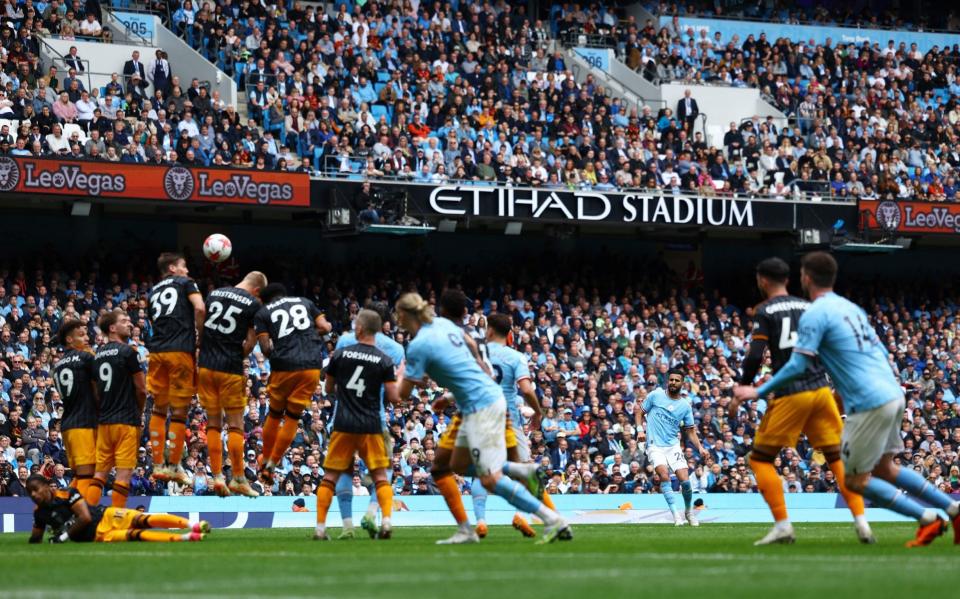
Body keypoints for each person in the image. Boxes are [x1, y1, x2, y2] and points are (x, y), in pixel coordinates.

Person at [734, 252, 960, 547]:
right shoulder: (851, 309)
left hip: (867, 401)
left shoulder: (815, 313)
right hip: (892, 392)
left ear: (805, 278)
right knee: (886, 469)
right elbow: (878, 351)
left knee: (855, 481)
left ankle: (928, 519)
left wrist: (757, 391)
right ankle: (952, 509)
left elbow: (798, 365)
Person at [396, 292, 571, 545]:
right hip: (479, 403)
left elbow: (400, 395)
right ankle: (510, 481)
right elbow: (471, 354)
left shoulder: (418, 345)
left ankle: (552, 519)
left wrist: (399, 374)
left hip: (482, 407)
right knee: (447, 464)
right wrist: (455, 391)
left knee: (489, 478)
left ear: (404, 315)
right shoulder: (444, 325)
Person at [730, 257, 871, 545]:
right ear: (788, 280)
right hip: (820, 391)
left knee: (760, 460)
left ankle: (783, 525)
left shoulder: (765, 310)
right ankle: (862, 522)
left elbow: (756, 355)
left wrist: (743, 388)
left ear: (763, 280)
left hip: (791, 394)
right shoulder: (809, 307)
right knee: (835, 459)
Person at [314, 309, 399, 540]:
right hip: (372, 425)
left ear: (359, 329)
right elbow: (393, 396)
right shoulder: (385, 360)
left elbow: (328, 389)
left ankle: (321, 529)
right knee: (381, 476)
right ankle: (387, 523)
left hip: (344, 423)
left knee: (330, 477)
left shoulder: (340, 354)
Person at [483, 313, 552, 538]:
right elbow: (526, 389)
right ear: (509, 334)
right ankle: (546, 516)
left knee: (482, 471)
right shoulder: (515, 357)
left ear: (490, 330)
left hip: (479, 419)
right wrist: (538, 413)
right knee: (527, 468)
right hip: (506, 420)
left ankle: (479, 521)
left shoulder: (476, 354)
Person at [198, 272, 266, 497]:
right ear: (257, 290)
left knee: (214, 424)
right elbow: (250, 342)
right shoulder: (254, 304)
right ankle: (238, 478)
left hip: (206, 366)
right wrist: (239, 355)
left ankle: (217, 476)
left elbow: (202, 321)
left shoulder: (214, 294)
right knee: (236, 425)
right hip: (230, 368)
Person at [254, 283, 330, 483]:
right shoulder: (305, 302)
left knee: (275, 413)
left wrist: (282, 344)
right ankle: (273, 464)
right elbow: (325, 327)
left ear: (264, 299)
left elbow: (264, 348)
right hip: (312, 365)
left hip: (284, 365)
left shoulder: (263, 313)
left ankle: (265, 460)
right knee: (293, 418)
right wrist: (308, 336)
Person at [146, 253, 205, 486]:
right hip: (180, 351)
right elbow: (200, 308)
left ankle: (158, 464)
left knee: (159, 410)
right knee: (179, 413)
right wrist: (200, 336)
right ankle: (174, 467)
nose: (187, 271)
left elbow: (153, 322)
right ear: (172, 268)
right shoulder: (185, 283)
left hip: (158, 352)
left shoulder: (153, 292)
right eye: (184, 266)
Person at [26, 474, 208, 543]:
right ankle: (186, 537)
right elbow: (35, 538)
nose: (33, 495)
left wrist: (63, 536)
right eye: (29, 492)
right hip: (98, 536)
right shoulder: (39, 513)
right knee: (136, 535)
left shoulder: (66, 493)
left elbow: (85, 517)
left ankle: (194, 525)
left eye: (36, 490)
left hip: (106, 516)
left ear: (47, 487)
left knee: (144, 520)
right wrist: (42, 541)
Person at [636, 367, 705, 527]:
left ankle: (688, 512)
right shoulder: (656, 395)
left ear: (682, 383)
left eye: (677, 380)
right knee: (664, 476)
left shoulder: (685, 406)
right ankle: (676, 516)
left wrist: (700, 448)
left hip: (672, 446)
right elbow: (639, 412)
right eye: (671, 379)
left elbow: (690, 431)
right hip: (654, 445)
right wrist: (640, 430)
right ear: (668, 381)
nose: (673, 382)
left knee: (685, 482)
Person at [92, 310, 147, 508]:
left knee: (100, 474)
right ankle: (116, 518)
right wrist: (139, 412)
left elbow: (96, 392)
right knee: (124, 473)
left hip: (105, 421)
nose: (130, 324)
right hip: (126, 420)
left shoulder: (98, 355)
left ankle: (87, 517)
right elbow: (141, 390)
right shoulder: (129, 352)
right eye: (124, 321)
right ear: (112, 328)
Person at [52, 319, 97, 501]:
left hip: (69, 425)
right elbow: (99, 388)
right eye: (81, 334)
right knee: (89, 476)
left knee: (80, 477)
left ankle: (60, 509)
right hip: (84, 424)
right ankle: (85, 519)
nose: (87, 338)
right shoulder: (86, 357)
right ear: (69, 340)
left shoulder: (57, 366)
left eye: (87, 333)